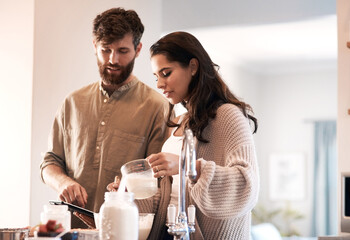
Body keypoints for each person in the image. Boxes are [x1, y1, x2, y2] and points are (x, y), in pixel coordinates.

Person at [108, 31, 259, 240]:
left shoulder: (228, 115)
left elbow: (246, 185)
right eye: (156, 77)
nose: (159, 84)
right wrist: (128, 195)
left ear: (193, 67)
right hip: (169, 232)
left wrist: (187, 166)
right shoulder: (181, 122)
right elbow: (170, 196)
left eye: (166, 73)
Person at [40, 7, 169, 228]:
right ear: (94, 46)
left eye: (122, 50)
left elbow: (158, 179)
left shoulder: (158, 107)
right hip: (70, 230)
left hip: (125, 231)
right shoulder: (72, 102)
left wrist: (129, 187)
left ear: (138, 49)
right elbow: (50, 162)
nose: (113, 59)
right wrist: (63, 182)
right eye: (105, 50)